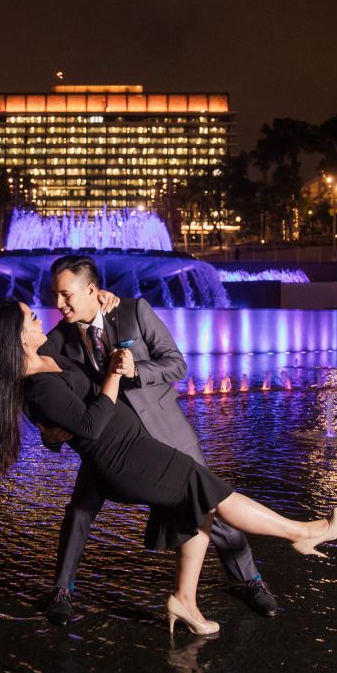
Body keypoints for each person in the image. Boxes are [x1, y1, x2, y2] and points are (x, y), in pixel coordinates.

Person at [0, 298, 337, 636]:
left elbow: (68, 378)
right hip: (123, 459)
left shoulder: (45, 355)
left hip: (135, 447)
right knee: (210, 493)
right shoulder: (36, 382)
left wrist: (99, 301)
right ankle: (300, 532)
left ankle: (184, 601)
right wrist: (114, 375)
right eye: (31, 318)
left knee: (198, 503)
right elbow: (89, 424)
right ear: (17, 336)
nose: (42, 318)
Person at [37, 255, 279, 626]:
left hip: (164, 432)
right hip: (109, 444)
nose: (59, 305)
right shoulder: (56, 342)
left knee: (209, 500)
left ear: (91, 290)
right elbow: (36, 393)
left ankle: (250, 580)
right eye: (55, 295)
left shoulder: (133, 311)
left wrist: (136, 370)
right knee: (81, 510)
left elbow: (176, 364)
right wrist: (47, 432)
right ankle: (62, 589)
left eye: (66, 295)